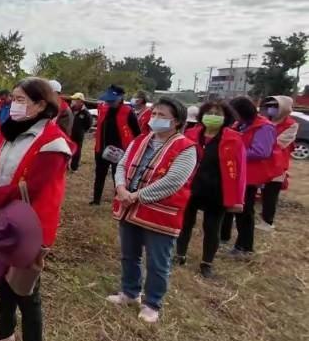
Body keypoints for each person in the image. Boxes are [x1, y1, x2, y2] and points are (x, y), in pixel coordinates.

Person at [0, 77, 73, 341]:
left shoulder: (53, 143)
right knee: (4, 280)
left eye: (20, 99)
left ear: (41, 105)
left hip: (31, 225)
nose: (12, 105)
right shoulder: (8, 133)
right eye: (13, 98)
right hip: (4, 217)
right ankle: (4, 333)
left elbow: (33, 187)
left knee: (26, 289)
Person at [106, 98, 197, 323]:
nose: (155, 118)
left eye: (162, 115)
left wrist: (136, 196)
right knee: (129, 255)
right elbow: (122, 165)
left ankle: (152, 303)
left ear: (176, 121)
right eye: (154, 113)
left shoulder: (185, 147)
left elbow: (174, 181)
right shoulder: (140, 140)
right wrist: (120, 188)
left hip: (159, 213)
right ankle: (130, 292)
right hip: (129, 207)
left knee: (158, 262)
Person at [175, 101, 246, 278]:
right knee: (184, 224)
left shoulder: (234, 139)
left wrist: (238, 198)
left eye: (218, 113)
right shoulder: (191, 134)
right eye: (209, 112)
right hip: (191, 187)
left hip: (217, 191)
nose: (213, 116)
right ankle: (179, 255)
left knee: (212, 228)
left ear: (226, 117)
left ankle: (207, 263)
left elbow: (240, 170)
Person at [220, 96, 277, 257]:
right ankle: (226, 239)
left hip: (250, 176)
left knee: (244, 212)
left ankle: (245, 247)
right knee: (232, 208)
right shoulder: (241, 124)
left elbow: (262, 151)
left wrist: (235, 154)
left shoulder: (264, 127)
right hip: (236, 173)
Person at [91, 85, 141, 205]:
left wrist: (134, 149)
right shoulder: (103, 109)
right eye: (108, 100)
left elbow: (137, 133)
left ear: (120, 98)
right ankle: (96, 199)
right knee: (99, 174)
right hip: (102, 149)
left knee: (117, 176)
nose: (109, 103)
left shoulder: (128, 112)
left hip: (120, 152)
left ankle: (118, 199)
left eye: (112, 100)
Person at [257, 96, 298, 232]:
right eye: (269, 105)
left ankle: (267, 222)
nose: (271, 109)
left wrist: (262, 142)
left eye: (275, 106)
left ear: (284, 108)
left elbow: (281, 142)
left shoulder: (291, 124)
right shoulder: (263, 120)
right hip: (260, 161)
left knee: (271, 194)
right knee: (254, 191)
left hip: (277, 163)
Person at [69, 92, 93, 171]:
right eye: (73, 100)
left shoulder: (86, 113)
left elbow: (89, 124)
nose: (73, 101)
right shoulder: (70, 110)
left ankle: (74, 167)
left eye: (75, 100)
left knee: (77, 151)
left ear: (81, 102)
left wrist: (81, 131)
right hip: (69, 134)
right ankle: (65, 165)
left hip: (78, 136)